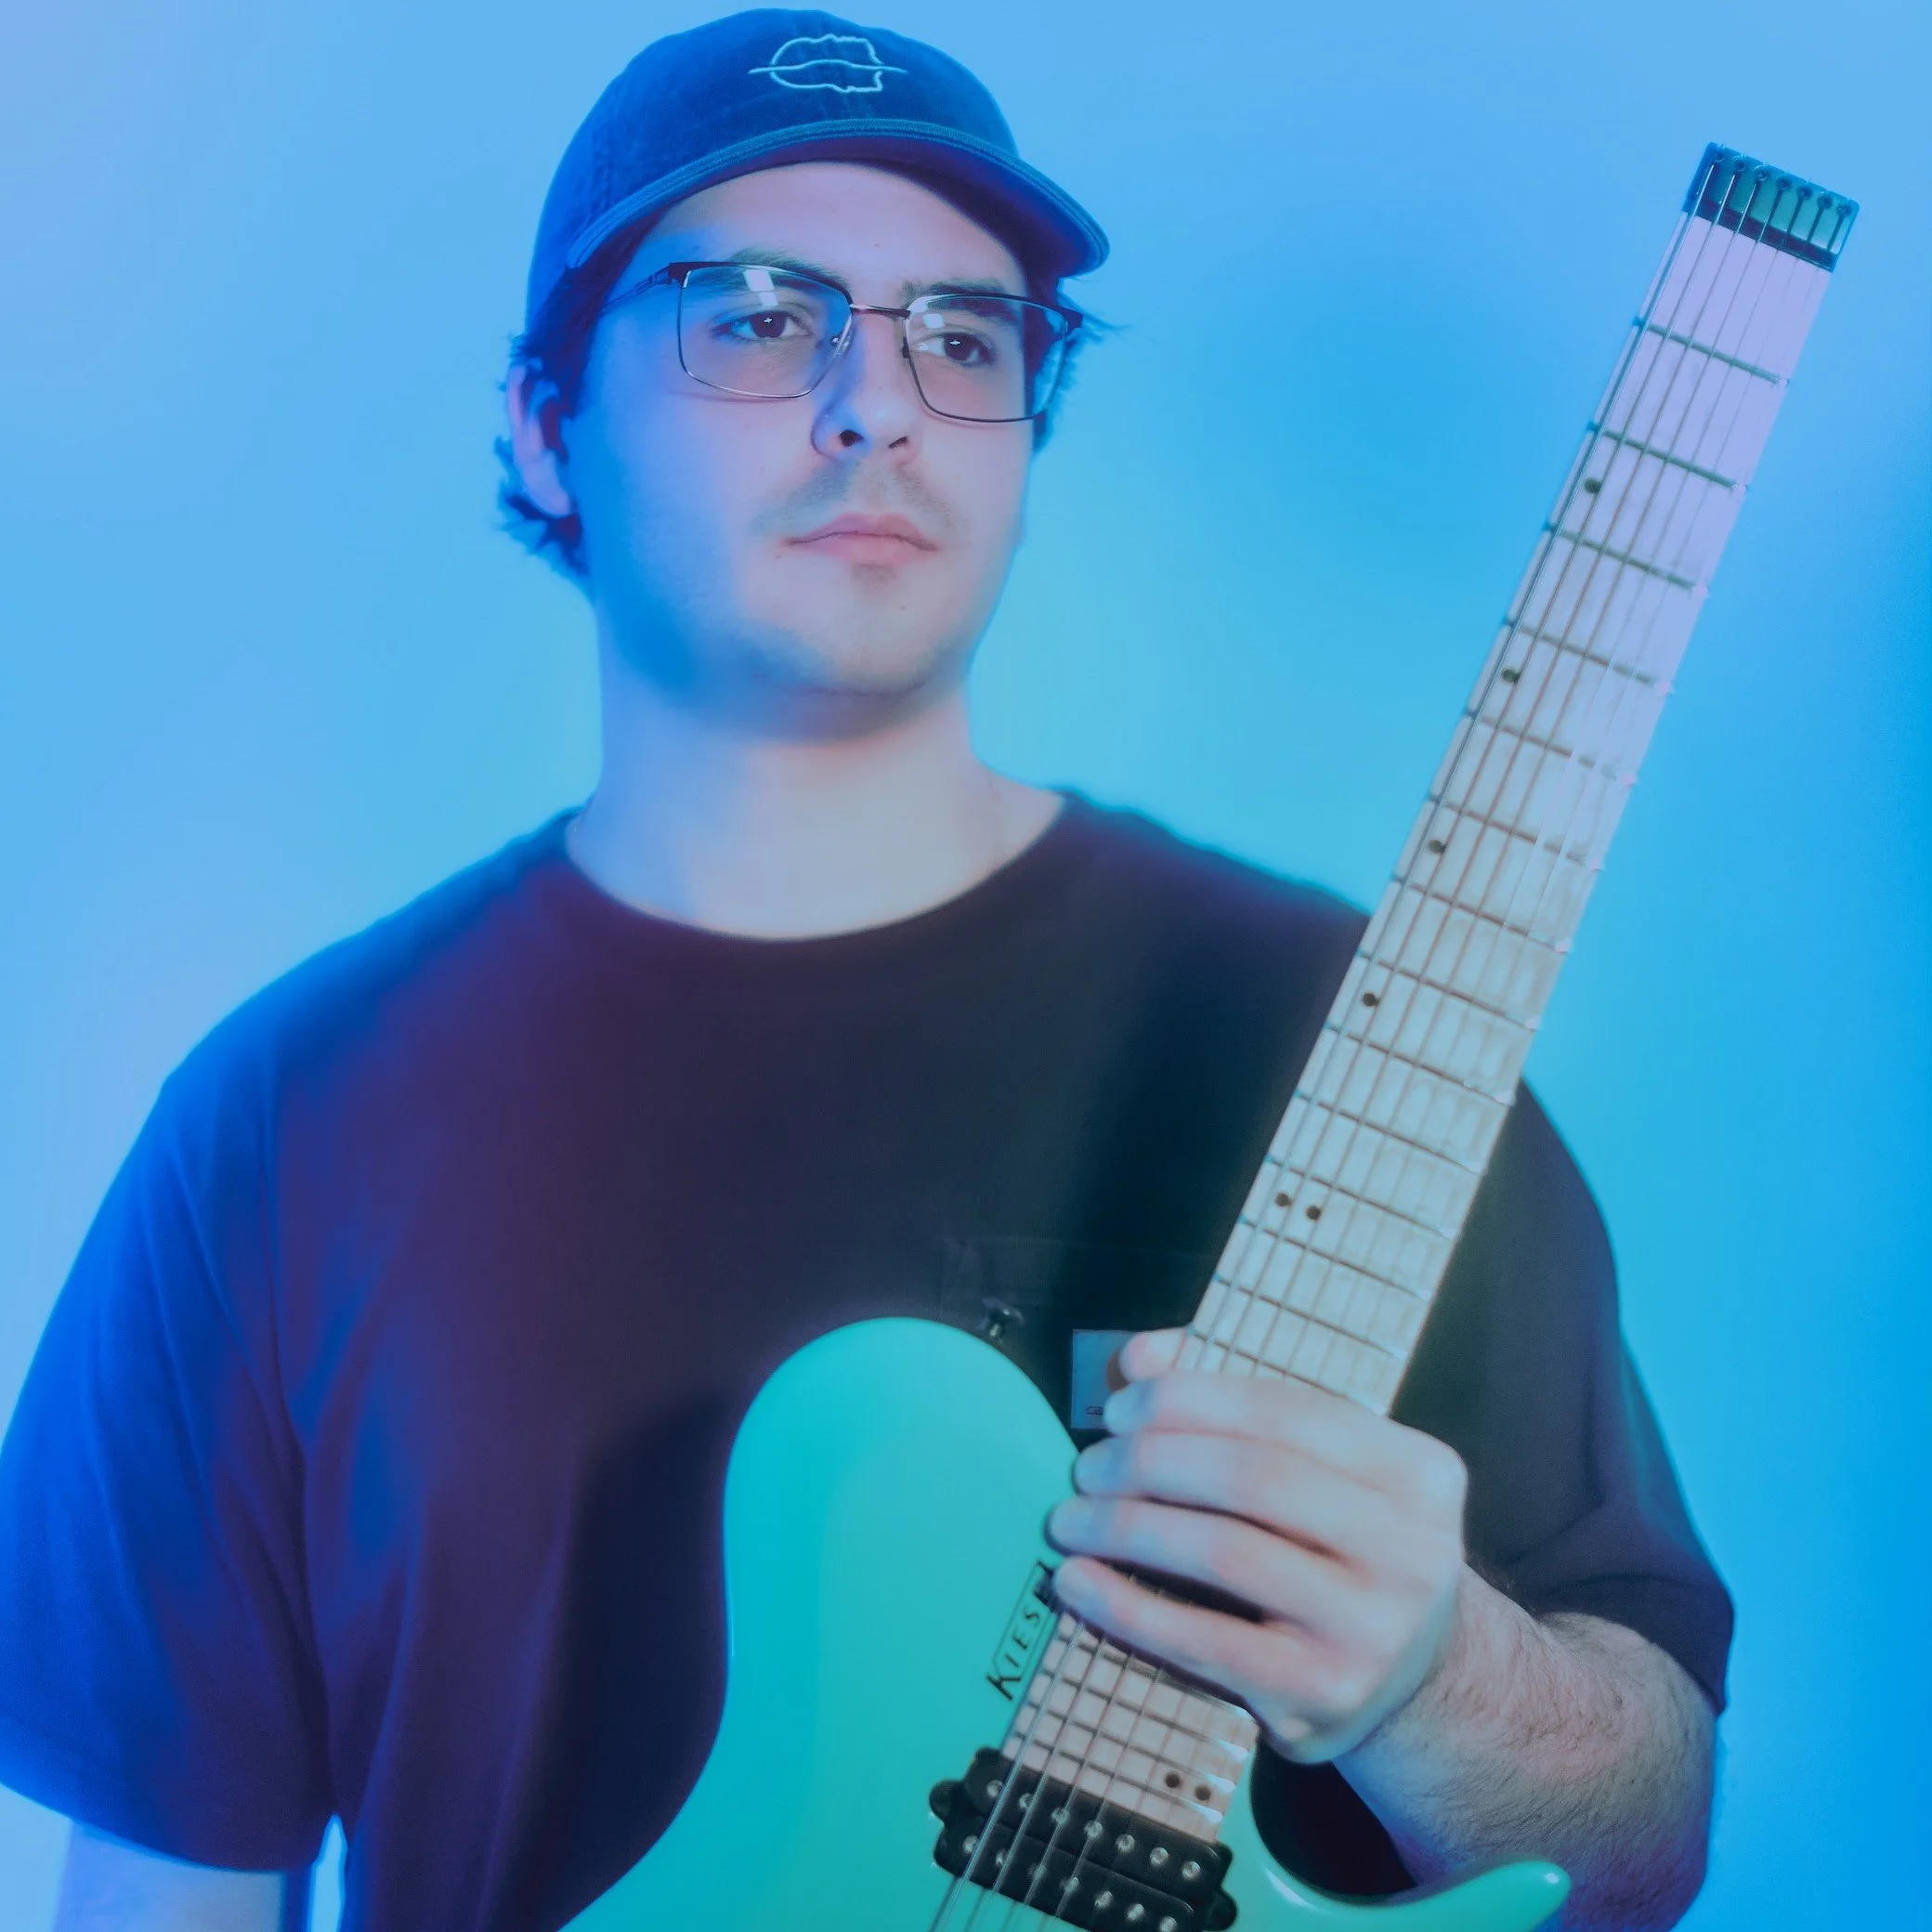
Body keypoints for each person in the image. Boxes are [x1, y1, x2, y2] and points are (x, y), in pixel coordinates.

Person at [0, 12, 1730, 1930]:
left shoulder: (1361, 1033)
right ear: (540, 424)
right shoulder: (276, 1125)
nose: (876, 404)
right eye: (753, 315)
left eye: (961, 337)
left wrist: (1436, 1677)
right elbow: (165, 1894)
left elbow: (1644, 1844)